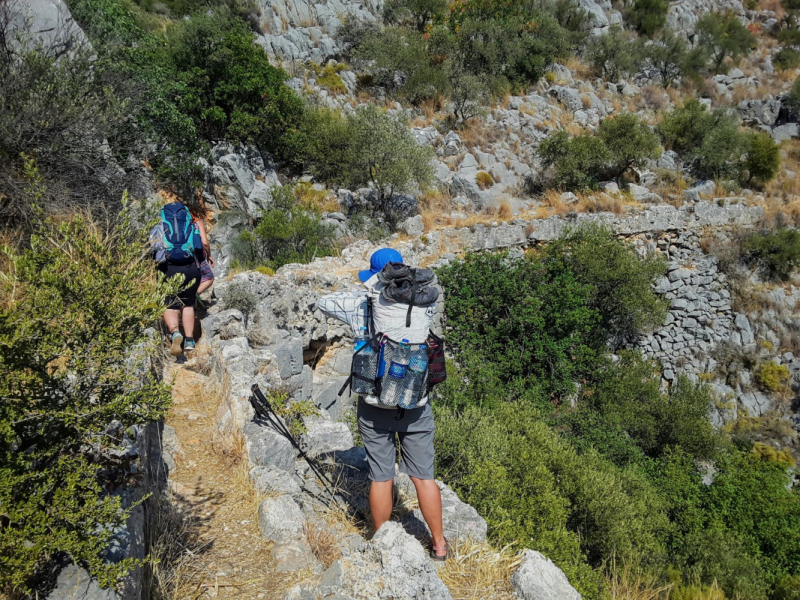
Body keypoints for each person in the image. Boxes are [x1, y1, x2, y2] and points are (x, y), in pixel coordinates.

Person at [317, 248, 448, 561]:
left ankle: (382, 544)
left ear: (375, 275)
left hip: (375, 405)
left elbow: (322, 303)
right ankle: (440, 546)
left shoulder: (362, 303)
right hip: (416, 403)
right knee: (423, 477)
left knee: (381, 475)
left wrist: (365, 291)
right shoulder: (424, 301)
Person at [151, 196, 202, 356]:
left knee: (170, 305)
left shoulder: (160, 226)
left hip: (168, 268)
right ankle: (189, 341)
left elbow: (151, 249)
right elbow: (199, 247)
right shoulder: (191, 226)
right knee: (188, 304)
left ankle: (175, 333)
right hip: (190, 269)